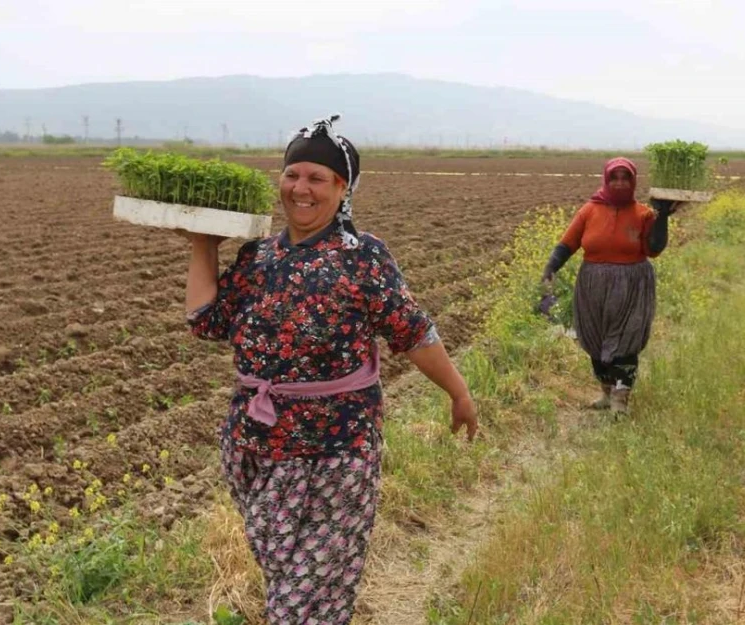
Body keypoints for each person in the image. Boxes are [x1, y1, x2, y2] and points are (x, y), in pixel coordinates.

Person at [180, 115, 478, 625]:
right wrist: (203, 242)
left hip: (336, 451)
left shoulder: (362, 257)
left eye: (317, 178)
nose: (301, 188)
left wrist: (459, 392)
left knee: (299, 600)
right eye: (293, 174)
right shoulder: (258, 256)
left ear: (342, 189)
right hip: (255, 446)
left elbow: (412, 331)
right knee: (289, 581)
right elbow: (207, 321)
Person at [541, 156, 677, 416]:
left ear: (633, 181)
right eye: (614, 177)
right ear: (606, 179)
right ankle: (606, 392)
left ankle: (620, 399)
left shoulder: (643, 214)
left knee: (627, 341)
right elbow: (568, 243)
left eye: (626, 177)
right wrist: (550, 268)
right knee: (595, 340)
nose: (620, 182)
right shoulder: (589, 210)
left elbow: (655, 249)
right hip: (594, 286)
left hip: (632, 286)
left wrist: (662, 218)